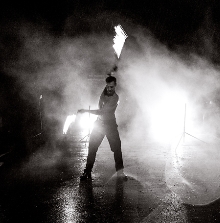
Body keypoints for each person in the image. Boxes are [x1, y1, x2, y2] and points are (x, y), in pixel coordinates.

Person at [78, 75, 127, 181]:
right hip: (99, 124)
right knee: (92, 148)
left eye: (112, 87)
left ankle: (120, 173)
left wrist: (86, 111)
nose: (109, 89)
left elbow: (101, 111)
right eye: (108, 86)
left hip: (110, 125)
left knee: (117, 149)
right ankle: (87, 172)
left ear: (115, 86)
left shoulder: (115, 98)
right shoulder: (104, 91)